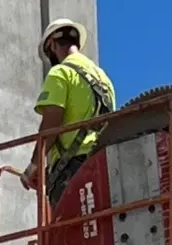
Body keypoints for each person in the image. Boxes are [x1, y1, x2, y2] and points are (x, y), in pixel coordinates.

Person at [20, 19, 116, 207]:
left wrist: (34, 166)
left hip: (74, 170)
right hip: (105, 166)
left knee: (70, 232)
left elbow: (51, 125)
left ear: (53, 45)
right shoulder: (105, 80)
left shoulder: (61, 73)